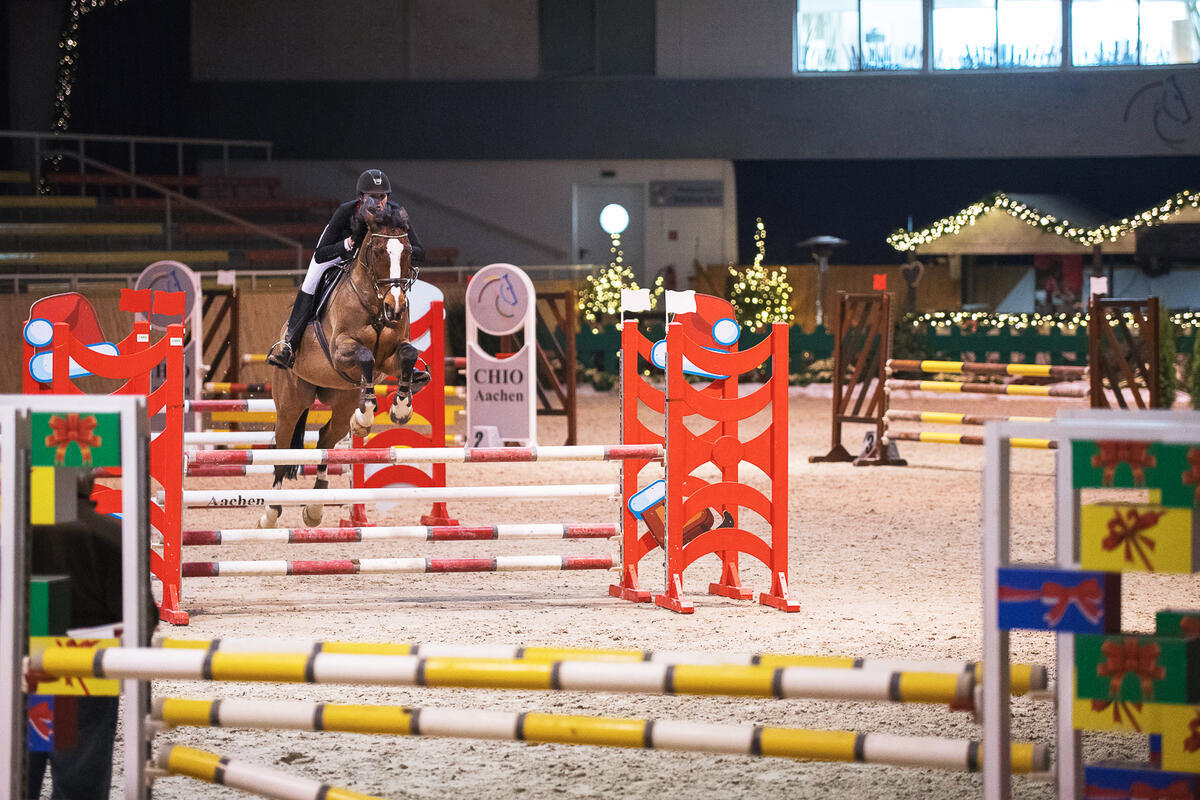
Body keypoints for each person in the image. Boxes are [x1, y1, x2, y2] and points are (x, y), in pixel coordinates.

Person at [26, 471, 159, 800]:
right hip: (84, 672)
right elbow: (143, 618)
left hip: (21, 668)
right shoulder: (112, 535)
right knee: (78, 785)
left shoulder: (12, 533)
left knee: (15, 779)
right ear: (86, 483)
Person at [267, 168, 425, 369]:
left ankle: (408, 354)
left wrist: (403, 250)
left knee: (397, 293)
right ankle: (289, 344)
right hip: (338, 255)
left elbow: (420, 251)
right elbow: (321, 253)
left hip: (375, 265)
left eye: (382, 196)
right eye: (373, 196)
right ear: (361, 197)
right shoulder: (346, 211)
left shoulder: (395, 214)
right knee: (311, 282)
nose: (379, 202)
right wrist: (347, 244)